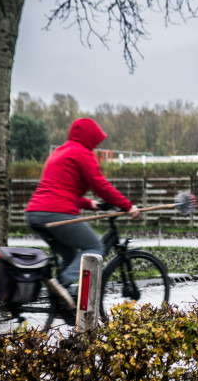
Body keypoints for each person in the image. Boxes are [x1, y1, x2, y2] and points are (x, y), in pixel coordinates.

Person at [25, 118, 140, 309]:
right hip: (57, 213)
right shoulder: (82, 153)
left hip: (35, 213)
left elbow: (59, 190)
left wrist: (89, 204)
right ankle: (60, 285)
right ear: (90, 137)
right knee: (95, 247)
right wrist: (127, 206)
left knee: (70, 254)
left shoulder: (59, 151)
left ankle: (62, 303)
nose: (95, 146)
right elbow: (100, 185)